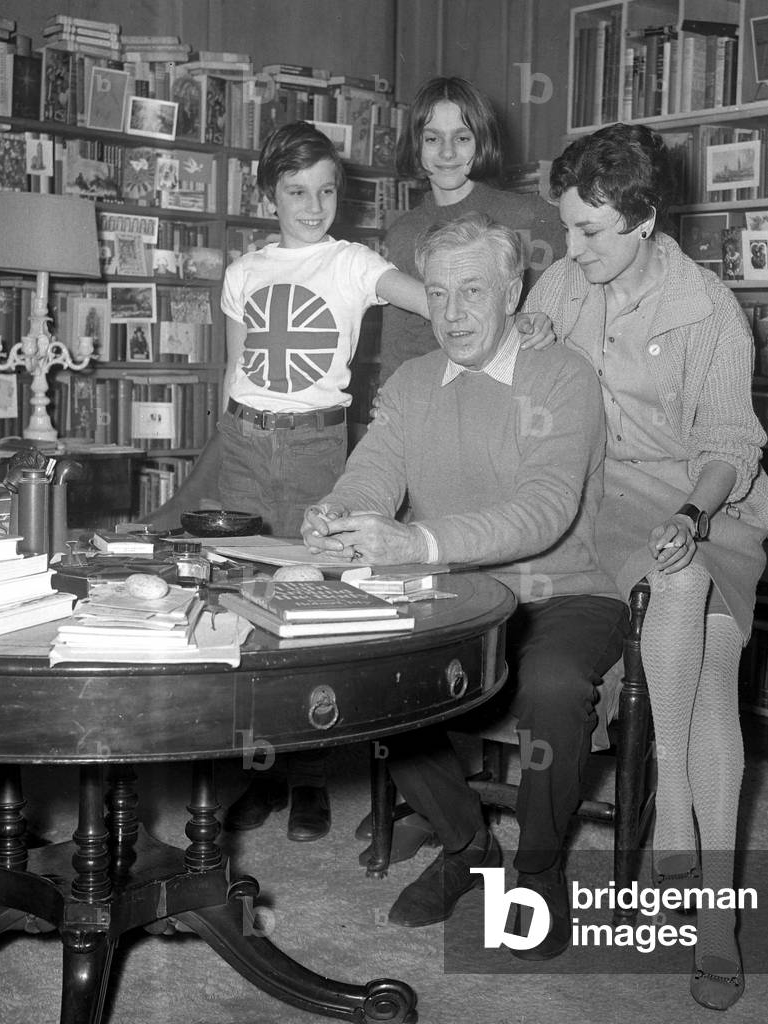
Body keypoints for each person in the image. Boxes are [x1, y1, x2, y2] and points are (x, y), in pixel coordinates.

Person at [302, 213, 627, 961]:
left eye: (473, 291)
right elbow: (374, 471)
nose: (451, 313)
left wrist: (417, 541)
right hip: (453, 591)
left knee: (550, 687)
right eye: (439, 293)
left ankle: (539, 871)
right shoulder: (413, 381)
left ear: (513, 291)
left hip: (565, 589)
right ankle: (468, 847)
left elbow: (543, 511)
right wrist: (339, 514)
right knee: (375, 673)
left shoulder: (563, 376)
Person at [214, 123, 551, 843]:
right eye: (297, 191)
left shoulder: (352, 262)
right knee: (238, 603)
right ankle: (251, 770)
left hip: (313, 448)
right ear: (267, 192)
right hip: (242, 443)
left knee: (305, 610)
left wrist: (524, 316)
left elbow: (443, 300)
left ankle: (307, 776)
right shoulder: (242, 272)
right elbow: (235, 371)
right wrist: (222, 443)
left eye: (327, 190)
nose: (313, 205)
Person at [525, 123, 768, 1009]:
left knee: (700, 627)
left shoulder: (708, 308)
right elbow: (520, 374)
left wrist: (690, 511)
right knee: (686, 610)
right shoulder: (565, 284)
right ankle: (699, 883)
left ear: (642, 219)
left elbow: (726, 442)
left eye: (590, 231)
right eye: (566, 227)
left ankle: (697, 882)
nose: (571, 248)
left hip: (707, 499)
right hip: (605, 500)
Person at [377, 76, 566, 384]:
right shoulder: (402, 233)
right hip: (428, 403)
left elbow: (570, 306)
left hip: (512, 396)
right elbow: (398, 343)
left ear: (482, 142)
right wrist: (386, 400)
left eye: (462, 138)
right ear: (416, 145)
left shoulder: (531, 216)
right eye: (432, 139)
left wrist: (547, 323)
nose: (447, 153)